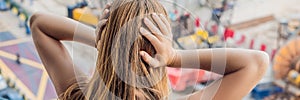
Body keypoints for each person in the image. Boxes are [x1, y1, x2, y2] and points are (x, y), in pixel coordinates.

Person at [30, 0, 269, 100]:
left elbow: (40, 24)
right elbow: (256, 63)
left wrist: (107, 43)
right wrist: (175, 57)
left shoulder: (79, 95)